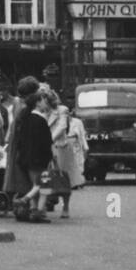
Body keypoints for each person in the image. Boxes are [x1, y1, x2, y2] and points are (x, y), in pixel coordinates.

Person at [3, 77, 52, 223]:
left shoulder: (21, 105)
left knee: (32, 181)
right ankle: (31, 207)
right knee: (40, 182)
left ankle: (33, 209)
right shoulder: (30, 110)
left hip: (22, 149)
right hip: (29, 151)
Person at [39, 87, 79, 218]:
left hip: (61, 148)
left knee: (63, 179)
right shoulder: (40, 113)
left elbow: (62, 127)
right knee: (44, 178)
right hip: (45, 149)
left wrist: (49, 140)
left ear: (47, 99)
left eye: (41, 100)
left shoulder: (62, 110)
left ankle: (66, 206)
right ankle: (42, 206)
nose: (39, 103)